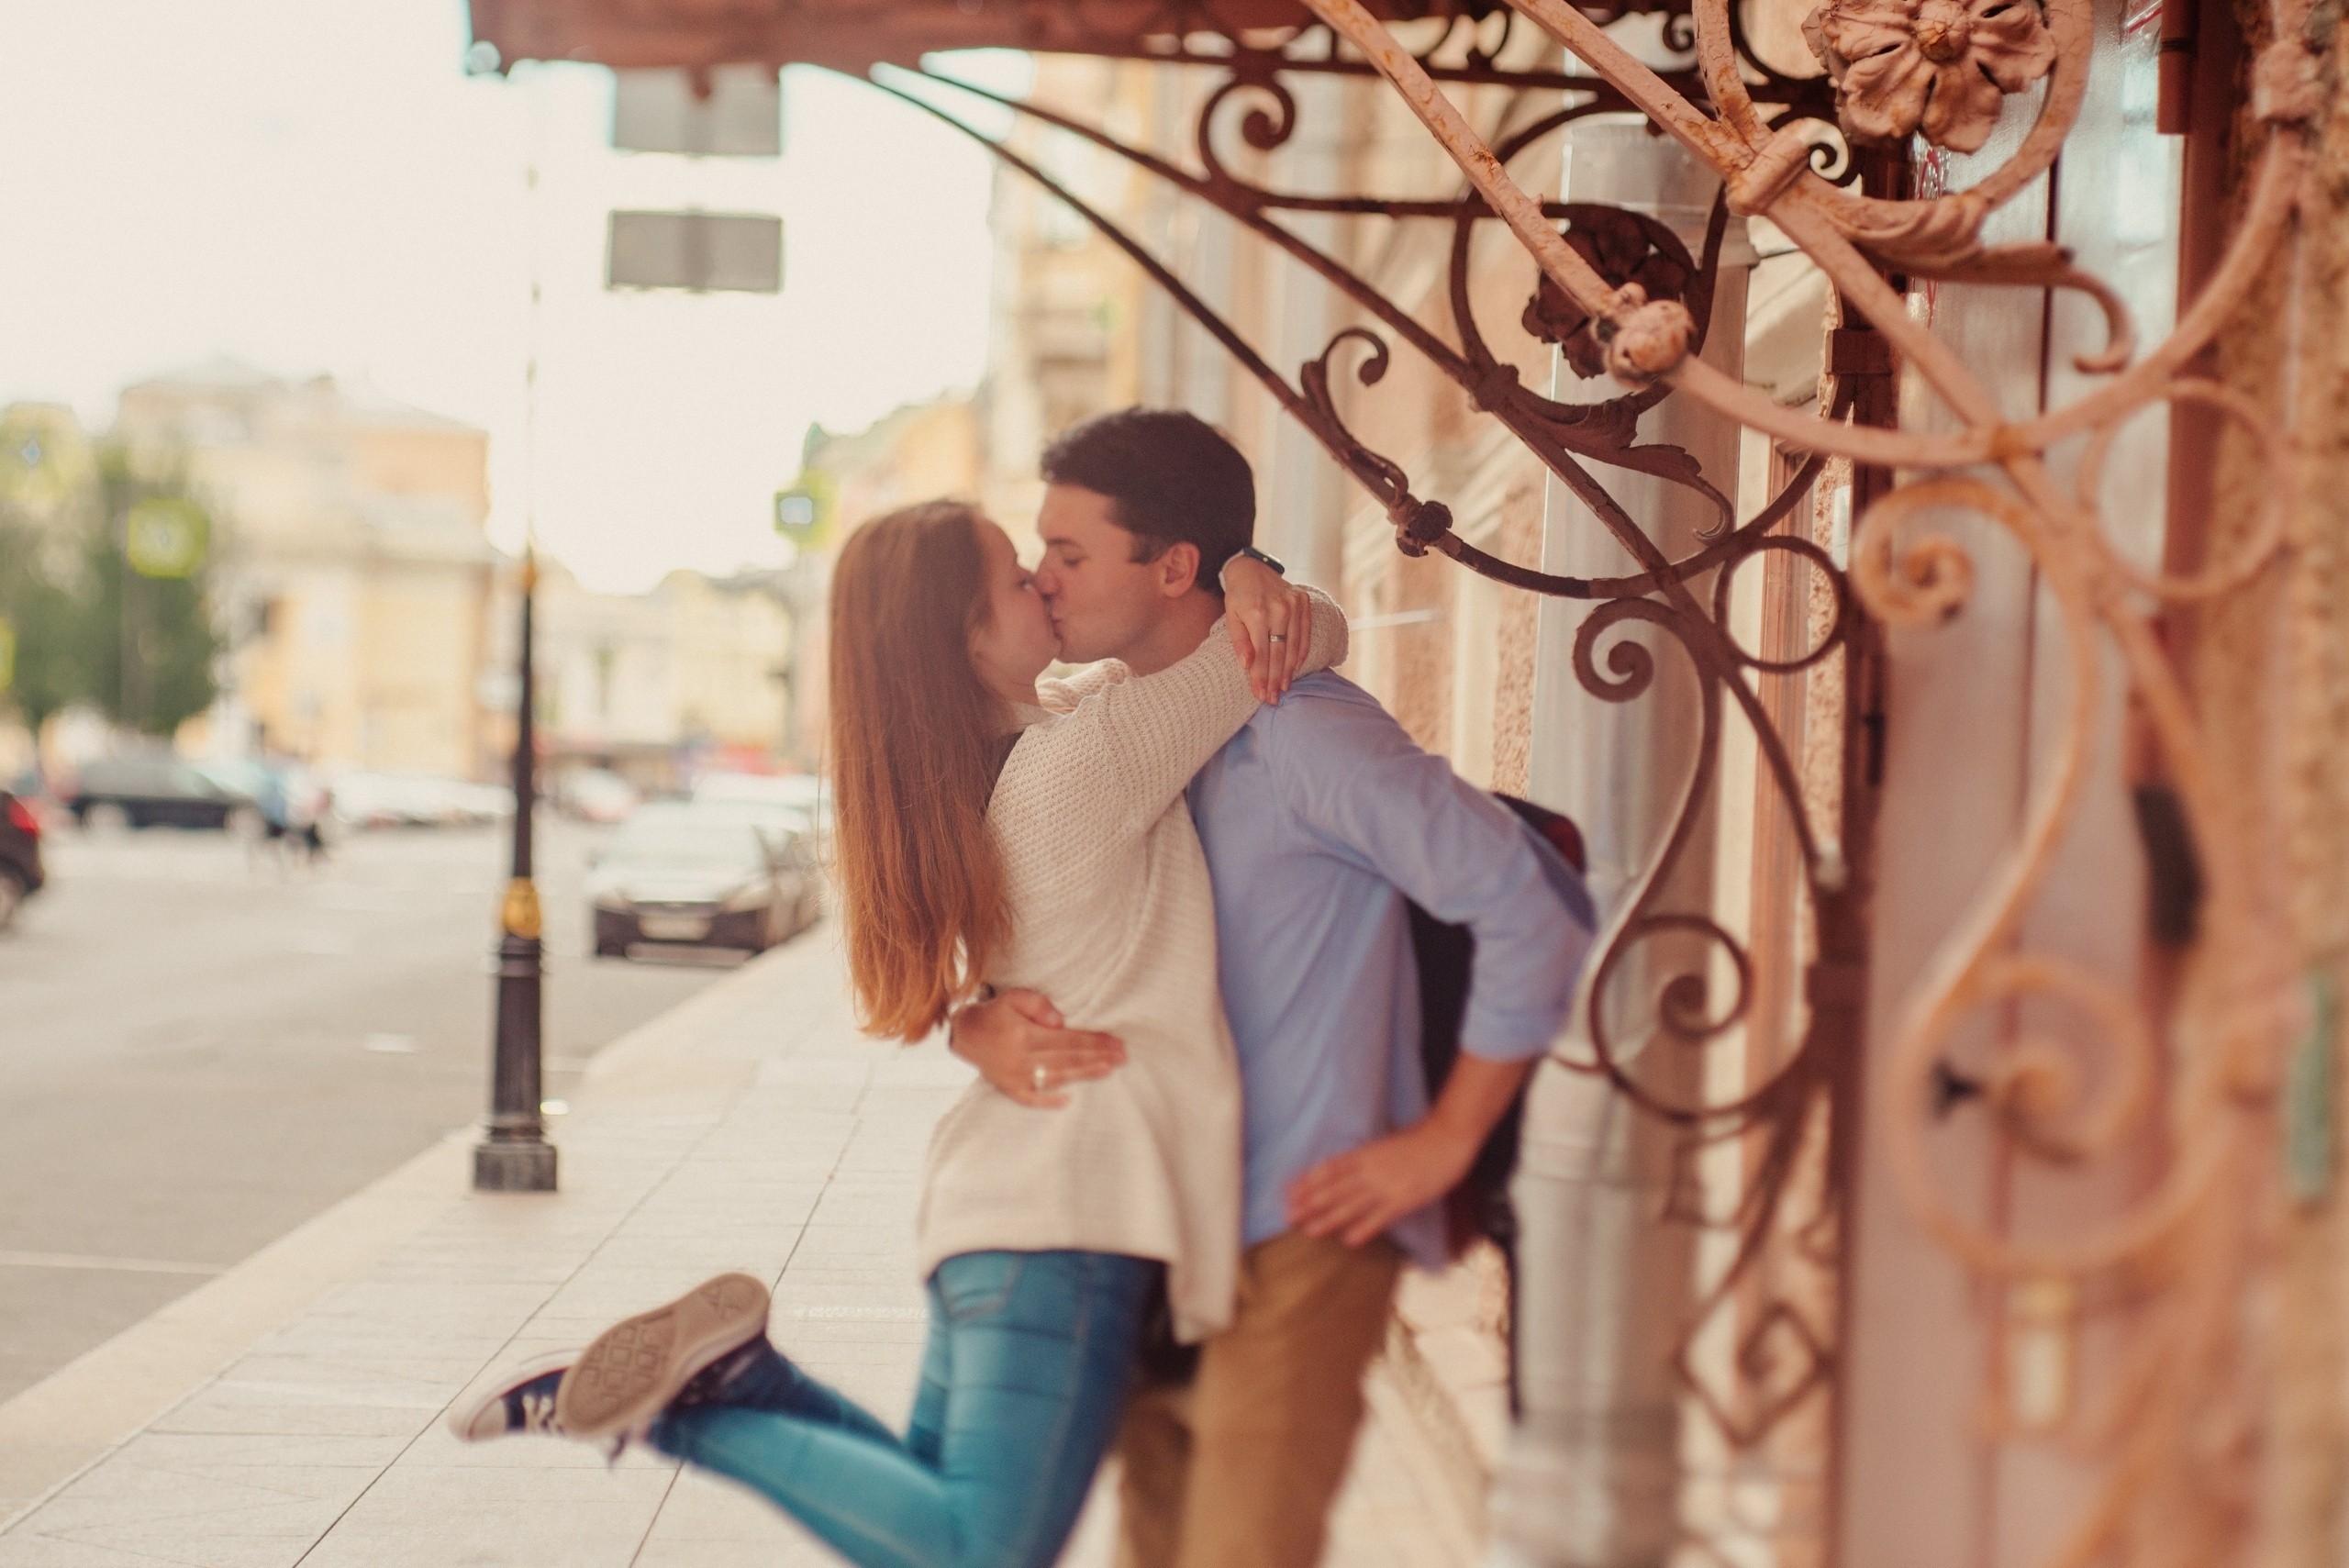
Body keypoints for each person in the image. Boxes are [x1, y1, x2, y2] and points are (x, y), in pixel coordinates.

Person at [450, 490, 1346, 1568]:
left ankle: (746, 1382)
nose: (1047, 583)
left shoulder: (1008, 766)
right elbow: (1316, 633)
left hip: (1009, 1217)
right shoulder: (1086, 757)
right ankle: (688, 1405)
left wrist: (973, 1023)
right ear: (966, 637)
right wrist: (1250, 568)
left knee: (932, 1517)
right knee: (975, 1552)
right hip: (1069, 1218)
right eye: (1020, 578)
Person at [950, 409, 1595, 1568]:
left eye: (1068, 552)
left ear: (1175, 567)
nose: (1041, 579)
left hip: (1298, 1229)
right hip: (1161, 1222)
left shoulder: (1306, 732)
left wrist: (1442, 1141)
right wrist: (974, 1023)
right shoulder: (1132, 727)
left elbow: (1530, 903)